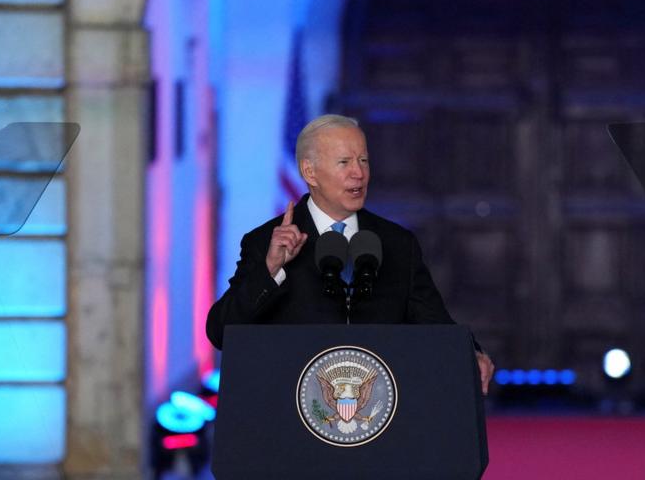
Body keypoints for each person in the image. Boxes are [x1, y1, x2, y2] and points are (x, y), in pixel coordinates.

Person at [206, 114, 495, 393]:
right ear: (310, 172)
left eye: (363, 160)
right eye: (344, 162)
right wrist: (270, 270)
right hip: (293, 419)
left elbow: (436, 324)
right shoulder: (264, 243)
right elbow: (221, 332)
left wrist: (470, 351)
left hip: (380, 416)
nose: (359, 173)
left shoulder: (397, 243)